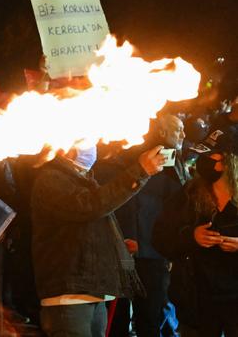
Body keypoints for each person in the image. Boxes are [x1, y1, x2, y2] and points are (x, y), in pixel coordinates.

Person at [31, 143, 166, 337]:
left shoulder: (83, 179)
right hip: (68, 298)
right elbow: (91, 206)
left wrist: (114, 245)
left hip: (91, 293)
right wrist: (139, 172)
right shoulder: (51, 179)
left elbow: (89, 222)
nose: (92, 147)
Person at [153, 128, 238, 337]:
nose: (208, 159)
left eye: (216, 155)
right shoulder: (189, 195)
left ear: (230, 162)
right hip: (197, 297)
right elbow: (161, 237)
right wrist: (192, 236)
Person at [113, 114, 189, 336]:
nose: (183, 135)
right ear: (163, 133)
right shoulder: (160, 159)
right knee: (136, 316)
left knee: (146, 316)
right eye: (178, 130)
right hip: (144, 250)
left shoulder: (171, 159)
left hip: (147, 250)